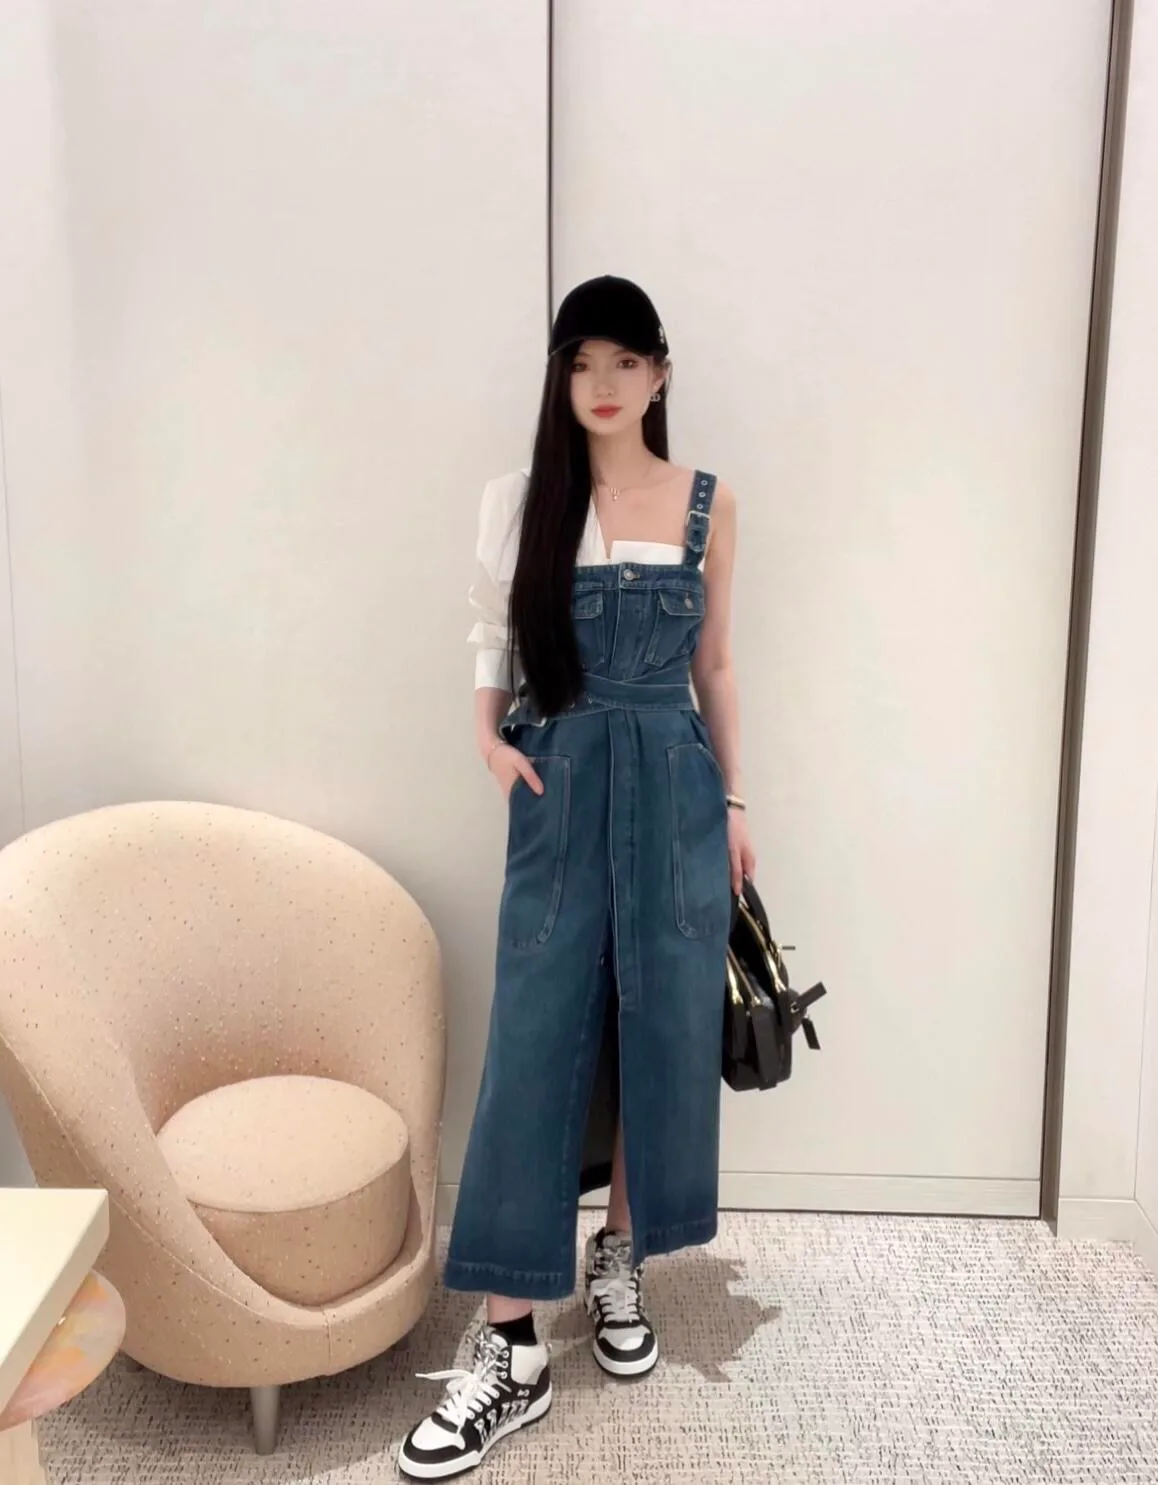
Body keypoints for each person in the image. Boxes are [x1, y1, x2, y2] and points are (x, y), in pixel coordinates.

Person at [398, 276, 756, 1481]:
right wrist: (488, 741)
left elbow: (716, 664)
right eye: (580, 363)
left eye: (624, 362)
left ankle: (621, 1257)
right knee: (538, 1039)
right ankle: (510, 1340)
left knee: (660, 1026)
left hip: (676, 785)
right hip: (558, 781)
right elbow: (492, 636)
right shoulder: (524, 500)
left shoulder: (709, 503)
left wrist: (736, 803)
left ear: (660, 373)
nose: (601, 385)